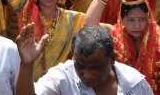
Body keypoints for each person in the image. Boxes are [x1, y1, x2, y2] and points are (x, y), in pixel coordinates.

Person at [16, 25, 154, 95]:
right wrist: (27, 65)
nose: (87, 75)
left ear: (112, 59)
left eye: (96, 67)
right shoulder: (62, 78)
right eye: (80, 65)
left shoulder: (136, 84)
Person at [84, 0, 160, 93]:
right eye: (131, 20)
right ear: (121, 19)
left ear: (148, 19)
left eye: (141, 19)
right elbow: (89, 26)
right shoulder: (113, 36)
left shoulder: (158, 38)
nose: (137, 25)